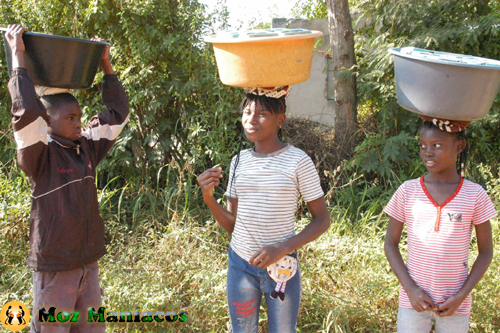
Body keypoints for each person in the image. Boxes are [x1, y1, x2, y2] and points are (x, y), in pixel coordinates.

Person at [4, 24, 129, 332]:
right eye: (70, 118)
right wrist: (18, 55)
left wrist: (105, 64)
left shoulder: (86, 148)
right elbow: (26, 113)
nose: (78, 124)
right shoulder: (40, 156)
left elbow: (118, 112)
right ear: (47, 123)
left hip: (88, 264)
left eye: (79, 117)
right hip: (55, 267)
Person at [197, 86, 330, 332]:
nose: (251, 120)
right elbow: (233, 225)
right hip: (241, 266)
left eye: (262, 114)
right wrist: (209, 199)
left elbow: (322, 220)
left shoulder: (298, 161)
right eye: (247, 112)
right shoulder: (239, 161)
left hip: (282, 268)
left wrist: (282, 247)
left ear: (281, 119)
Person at [384, 116, 496, 333]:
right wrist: (411, 290)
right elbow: (390, 244)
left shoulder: (475, 195)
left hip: (455, 303)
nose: (428, 152)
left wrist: (461, 297)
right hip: (413, 302)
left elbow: (486, 252)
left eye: (437, 146)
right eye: (423, 146)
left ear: (459, 146)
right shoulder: (408, 191)